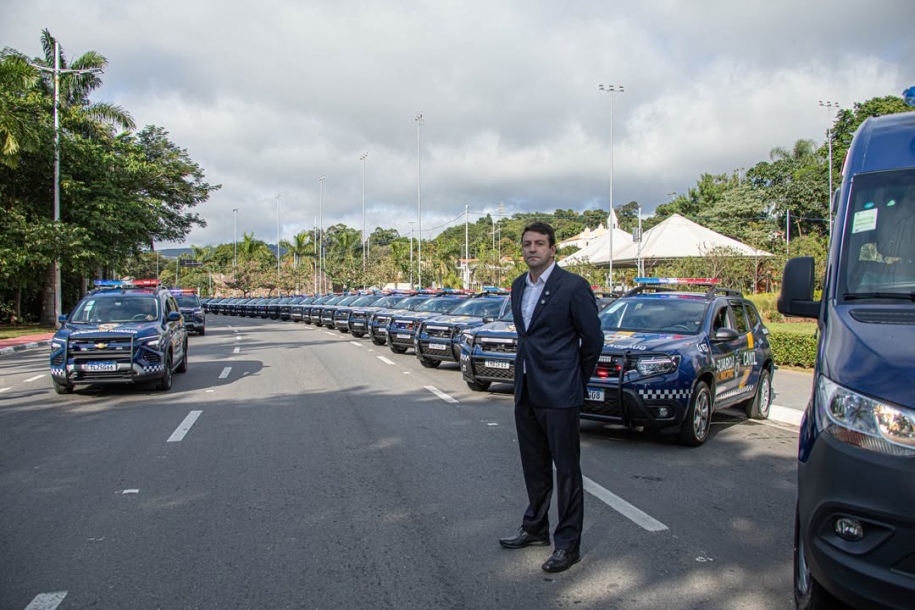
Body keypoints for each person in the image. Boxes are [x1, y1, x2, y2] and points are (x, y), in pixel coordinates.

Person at [499, 221, 604, 573]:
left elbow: (593, 340)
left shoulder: (573, 287)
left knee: (567, 470)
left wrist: (576, 379)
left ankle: (568, 544)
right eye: (527, 244)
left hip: (560, 393)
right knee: (534, 466)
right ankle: (535, 527)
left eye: (539, 244)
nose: (532, 249)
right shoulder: (517, 286)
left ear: (553, 249)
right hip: (526, 390)